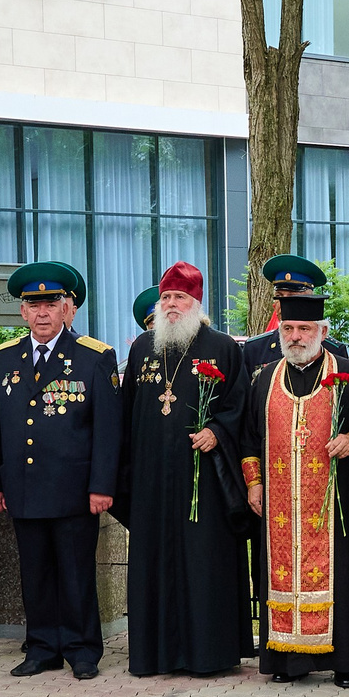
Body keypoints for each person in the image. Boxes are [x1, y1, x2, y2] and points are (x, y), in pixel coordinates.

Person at [0, 261, 121, 679]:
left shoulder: (94, 357)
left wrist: (102, 485)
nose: (42, 313)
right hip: (23, 487)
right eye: (33, 305)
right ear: (23, 311)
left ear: (67, 309)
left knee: (76, 574)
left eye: (51, 304)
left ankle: (82, 650)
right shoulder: (4, 358)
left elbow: (108, 430)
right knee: (34, 574)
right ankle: (42, 648)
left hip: (74, 488)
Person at [239, 294, 349, 686]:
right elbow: (248, 438)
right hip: (279, 508)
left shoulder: (347, 374)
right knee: (278, 575)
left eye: (304, 329)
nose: (296, 336)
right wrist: (254, 483)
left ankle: (343, 663)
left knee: (340, 576)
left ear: (322, 332)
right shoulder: (265, 379)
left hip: (333, 504)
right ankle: (286, 661)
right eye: (288, 328)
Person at [115, 262, 251, 675]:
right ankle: (154, 654)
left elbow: (240, 408)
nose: (171, 304)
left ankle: (207, 654)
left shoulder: (223, 347)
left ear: (196, 302)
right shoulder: (142, 348)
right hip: (152, 479)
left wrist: (216, 431)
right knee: (154, 564)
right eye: (166, 297)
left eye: (180, 297)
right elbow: (126, 414)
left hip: (203, 481)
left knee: (203, 563)